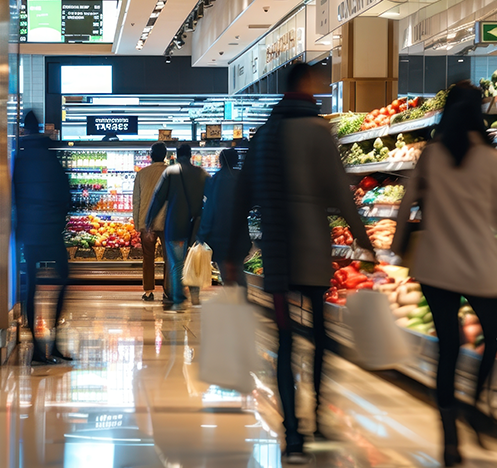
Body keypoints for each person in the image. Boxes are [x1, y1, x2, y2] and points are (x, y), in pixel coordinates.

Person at [230, 62, 373, 463]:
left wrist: (229, 251)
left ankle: (293, 434)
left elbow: (242, 195)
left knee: (285, 341)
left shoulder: (264, 136)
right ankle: (318, 418)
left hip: (277, 253)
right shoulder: (319, 132)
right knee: (320, 337)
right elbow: (341, 193)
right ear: (306, 85)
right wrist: (363, 239)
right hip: (312, 249)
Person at [391, 82, 497, 467]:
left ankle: (450, 438)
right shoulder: (493, 160)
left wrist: (397, 245)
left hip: (436, 267)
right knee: (491, 338)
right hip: (481, 266)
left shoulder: (431, 155)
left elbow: (406, 205)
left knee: (448, 351)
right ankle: (476, 405)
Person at [13, 110, 72, 365]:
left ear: (24, 130)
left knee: (33, 286)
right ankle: (54, 341)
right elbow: (65, 193)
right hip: (51, 230)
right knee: (64, 279)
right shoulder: (50, 155)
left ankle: (38, 347)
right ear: (40, 128)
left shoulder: (20, 157)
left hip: (29, 231)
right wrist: (60, 218)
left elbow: (13, 194)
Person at [146, 144, 209, 311]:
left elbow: (158, 198)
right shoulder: (201, 173)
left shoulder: (170, 172)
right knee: (194, 260)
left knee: (177, 264)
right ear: (190, 155)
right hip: (196, 228)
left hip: (174, 225)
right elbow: (212, 197)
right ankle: (194, 294)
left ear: (176, 155)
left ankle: (178, 299)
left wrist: (149, 220)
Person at [197, 148, 249, 285]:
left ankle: (233, 302)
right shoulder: (243, 178)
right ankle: (242, 301)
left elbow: (209, 210)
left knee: (227, 276)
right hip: (240, 234)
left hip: (220, 236)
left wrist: (202, 235)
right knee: (239, 269)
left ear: (220, 162)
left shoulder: (214, 181)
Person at [133, 142, 170, 301]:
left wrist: (137, 223)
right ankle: (169, 291)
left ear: (150, 156)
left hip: (147, 223)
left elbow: (136, 201)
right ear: (165, 156)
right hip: (168, 222)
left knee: (148, 257)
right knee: (170, 258)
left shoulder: (142, 174)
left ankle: (148, 291)